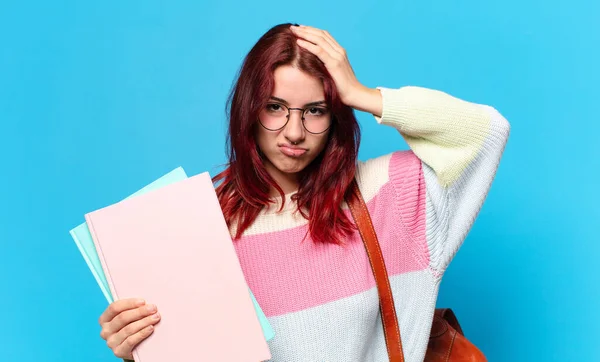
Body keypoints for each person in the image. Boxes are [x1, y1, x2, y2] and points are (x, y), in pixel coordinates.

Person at [97, 23, 510, 361]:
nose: (294, 133)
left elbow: (487, 133)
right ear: (249, 110)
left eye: (315, 110)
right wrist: (142, 349)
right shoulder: (202, 224)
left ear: (335, 116)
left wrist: (361, 94)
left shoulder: (390, 197)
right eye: (275, 107)